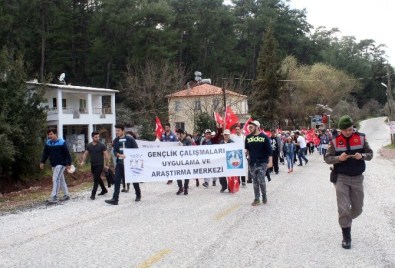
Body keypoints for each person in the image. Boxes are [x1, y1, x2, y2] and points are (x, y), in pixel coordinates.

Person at [324, 115, 373, 249]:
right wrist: (339, 158)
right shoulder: (334, 141)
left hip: (357, 178)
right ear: (340, 130)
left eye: (350, 129)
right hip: (341, 178)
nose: (348, 132)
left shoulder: (361, 138)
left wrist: (362, 156)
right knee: (343, 208)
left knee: (358, 209)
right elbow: (327, 158)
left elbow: (370, 154)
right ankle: (346, 237)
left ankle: (344, 219)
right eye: (345, 130)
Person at [105, 124, 141, 205]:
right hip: (120, 163)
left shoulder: (130, 139)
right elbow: (114, 151)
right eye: (116, 131)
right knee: (117, 180)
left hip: (130, 164)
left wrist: (128, 156)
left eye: (118, 131)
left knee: (134, 180)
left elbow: (136, 150)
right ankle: (115, 199)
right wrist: (118, 155)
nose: (117, 132)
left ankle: (138, 194)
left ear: (123, 131)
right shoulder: (116, 140)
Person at [40, 128, 72, 204]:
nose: (49, 136)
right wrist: (42, 162)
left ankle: (54, 197)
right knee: (60, 179)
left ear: (55, 134)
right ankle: (66, 194)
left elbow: (67, 154)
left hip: (61, 164)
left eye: (51, 134)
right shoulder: (48, 143)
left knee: (55, 178)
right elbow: (45, 153)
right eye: (48, 134)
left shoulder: (62, 142)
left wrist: (69, 164)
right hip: (53, 164)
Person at [245, 120, 273, 206]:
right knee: (255, 182)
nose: (250, 128)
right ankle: (257, 198)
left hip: (262, 162)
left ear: (257, 127)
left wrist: (270, 162)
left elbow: (269, 150)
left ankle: (264, 195)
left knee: (261, 180)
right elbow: (247, 149)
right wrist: (245, 152)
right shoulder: (248, 137)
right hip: (252, 162)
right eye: (249, 127)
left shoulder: (264, 137)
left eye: (251, 127)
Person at [80, 131, 110, 200]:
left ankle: (93, 194)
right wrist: (83, 161)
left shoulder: (102, 145)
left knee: (96, 179)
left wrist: (107, 164)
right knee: (97, 177)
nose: (98, 138)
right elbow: (85, 154)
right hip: (93, 164)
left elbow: (106, 155)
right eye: (96, 137)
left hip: (100, 164)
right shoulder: (89, 145)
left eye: (98, 137)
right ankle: (104, 189)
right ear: (92, 137)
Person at [175, 128, 192, 195]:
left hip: (186, 160)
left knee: (186, 174)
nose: (177, 135)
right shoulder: (177, 141)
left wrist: (183, 145)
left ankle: (185, 188)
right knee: (178, 174)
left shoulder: (188, 140)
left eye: (178, 134)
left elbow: (190, 149)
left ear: (182, 134)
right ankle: (180, 187)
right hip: (178, 160)